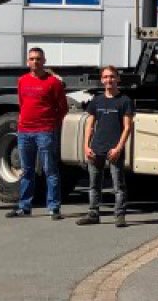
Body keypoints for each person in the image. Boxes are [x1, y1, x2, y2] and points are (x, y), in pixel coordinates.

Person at [10, 48, 68, 220]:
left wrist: (52, 125)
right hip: (24, 132)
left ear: (44, 61)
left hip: (45, 131)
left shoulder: (53, 83)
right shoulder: (22, 81)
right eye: (32, 59)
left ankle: (54, 207)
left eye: (38, 59)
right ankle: (24, 206)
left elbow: (62, 108)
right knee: (26, 170)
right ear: (27, 61)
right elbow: (22, 103)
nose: (35, 62)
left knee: (50, 169)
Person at [80, 66, 135, 227]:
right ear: (102, 80)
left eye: (112, 76)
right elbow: (89, 125)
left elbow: (127, 127)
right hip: (96, 148)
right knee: (94, 184)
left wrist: (118, 148)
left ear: (118, 79)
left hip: (114, 149)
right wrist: (86, 146)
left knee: (118, 185)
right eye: (105, 77)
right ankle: (93, 213)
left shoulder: (124, 101)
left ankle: (119, 215)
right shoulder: (96, 100)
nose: (109, 80)